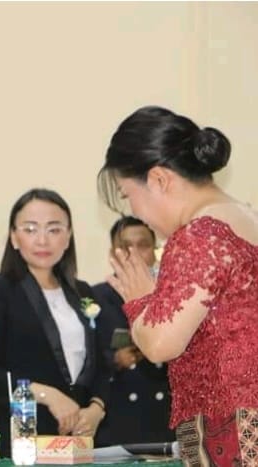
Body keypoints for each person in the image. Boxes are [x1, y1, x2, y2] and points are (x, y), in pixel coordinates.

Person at [99, 105, 258, 466]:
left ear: (158, 179)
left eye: (127, 195)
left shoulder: (199, 234)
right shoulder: (246, 217)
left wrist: (140, 300)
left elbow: (159, 345)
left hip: (233, 431)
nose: (135, 212)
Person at [0, 188, 109, 458]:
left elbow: (102, 364)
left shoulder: (83, 292)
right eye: (30, 229)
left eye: (54, 229)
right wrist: (46, 395)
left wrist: (96, 409)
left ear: (68, 237)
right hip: (25, 438)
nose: (42, 240)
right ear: (14, 237)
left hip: (82, 440)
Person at [93, 216, 174, 447]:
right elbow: (84, 358)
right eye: (126, 246)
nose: (134, 253)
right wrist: (114, 360)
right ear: (113, 253)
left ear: (155, 251)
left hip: (165, 415)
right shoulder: (94, 296)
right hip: (115, 417)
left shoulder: (173, 296)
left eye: (143, 245)